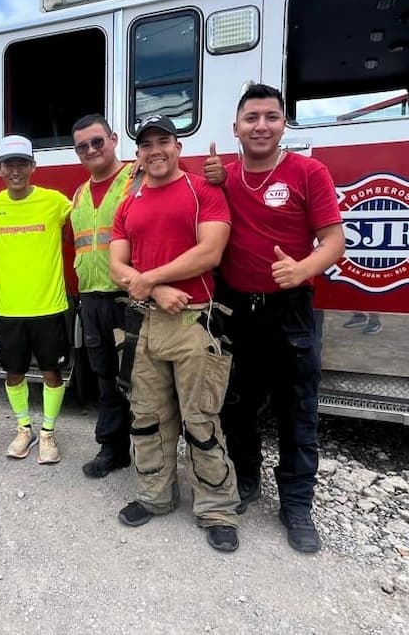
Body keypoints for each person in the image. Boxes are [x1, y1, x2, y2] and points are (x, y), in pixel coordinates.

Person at [203, 83, 345, 552]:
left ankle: (297, 506)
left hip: (290, 313)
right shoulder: (222, 177)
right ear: (236, 128)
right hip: (235, 310)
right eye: (251, 118)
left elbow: (334, 241)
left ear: (284, 124)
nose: (260, 126)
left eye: (270, 117)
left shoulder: (309, 172)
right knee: (235, 406)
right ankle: (246, 482)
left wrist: (303, 268)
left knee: (296, 411)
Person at [110, 114, 241, 553]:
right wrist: (155, 288)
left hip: (193, 321)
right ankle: (155, 496)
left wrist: (149, 280)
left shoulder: (203, 192)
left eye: (163, 141)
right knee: (147, 416)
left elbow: (210, 252)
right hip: (145, 321)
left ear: (177, 147)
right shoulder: (129, 203)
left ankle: (217, 509)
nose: (155, 150)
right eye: (146, 144)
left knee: (201, 419)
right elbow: (116, 266)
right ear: (139, 154)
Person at [0, 135, 73, 464]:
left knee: (52, 373)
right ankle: (24, 430)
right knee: (14, 374)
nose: (15, 170)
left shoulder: (55, 202)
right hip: (9, 308)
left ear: (33, 166)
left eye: (22, 163)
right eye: (9, 164)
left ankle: (48, 433)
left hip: (49, 307)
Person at [69, 114, 139, 478]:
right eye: (83, 146)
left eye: (97, 142)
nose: (91, 150)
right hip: (92, 298)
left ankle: (149, 455)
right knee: (105, 377)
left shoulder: (137, 177)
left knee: (142, 379)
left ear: (113, 139)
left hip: (130, 296)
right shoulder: (79, 193)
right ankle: (112, 449)